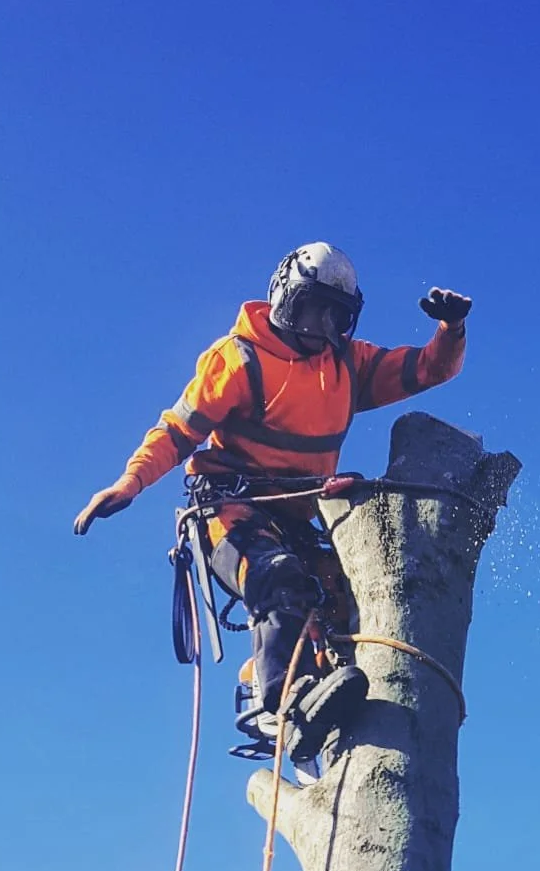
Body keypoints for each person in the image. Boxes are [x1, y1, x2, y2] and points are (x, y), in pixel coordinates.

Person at [76, 242, 471, 769]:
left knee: (347, 600)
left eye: (335, 315)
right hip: (229, 508)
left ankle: (326, 704)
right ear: (286, 296)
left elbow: (425, 370)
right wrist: (130, 483)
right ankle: (273, 703)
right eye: (313, 308)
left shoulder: (348, 366)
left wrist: (450, 332)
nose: (321, 325)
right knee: (277, 577)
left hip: (297, 516)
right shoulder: (239, 358)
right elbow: (177, 430)